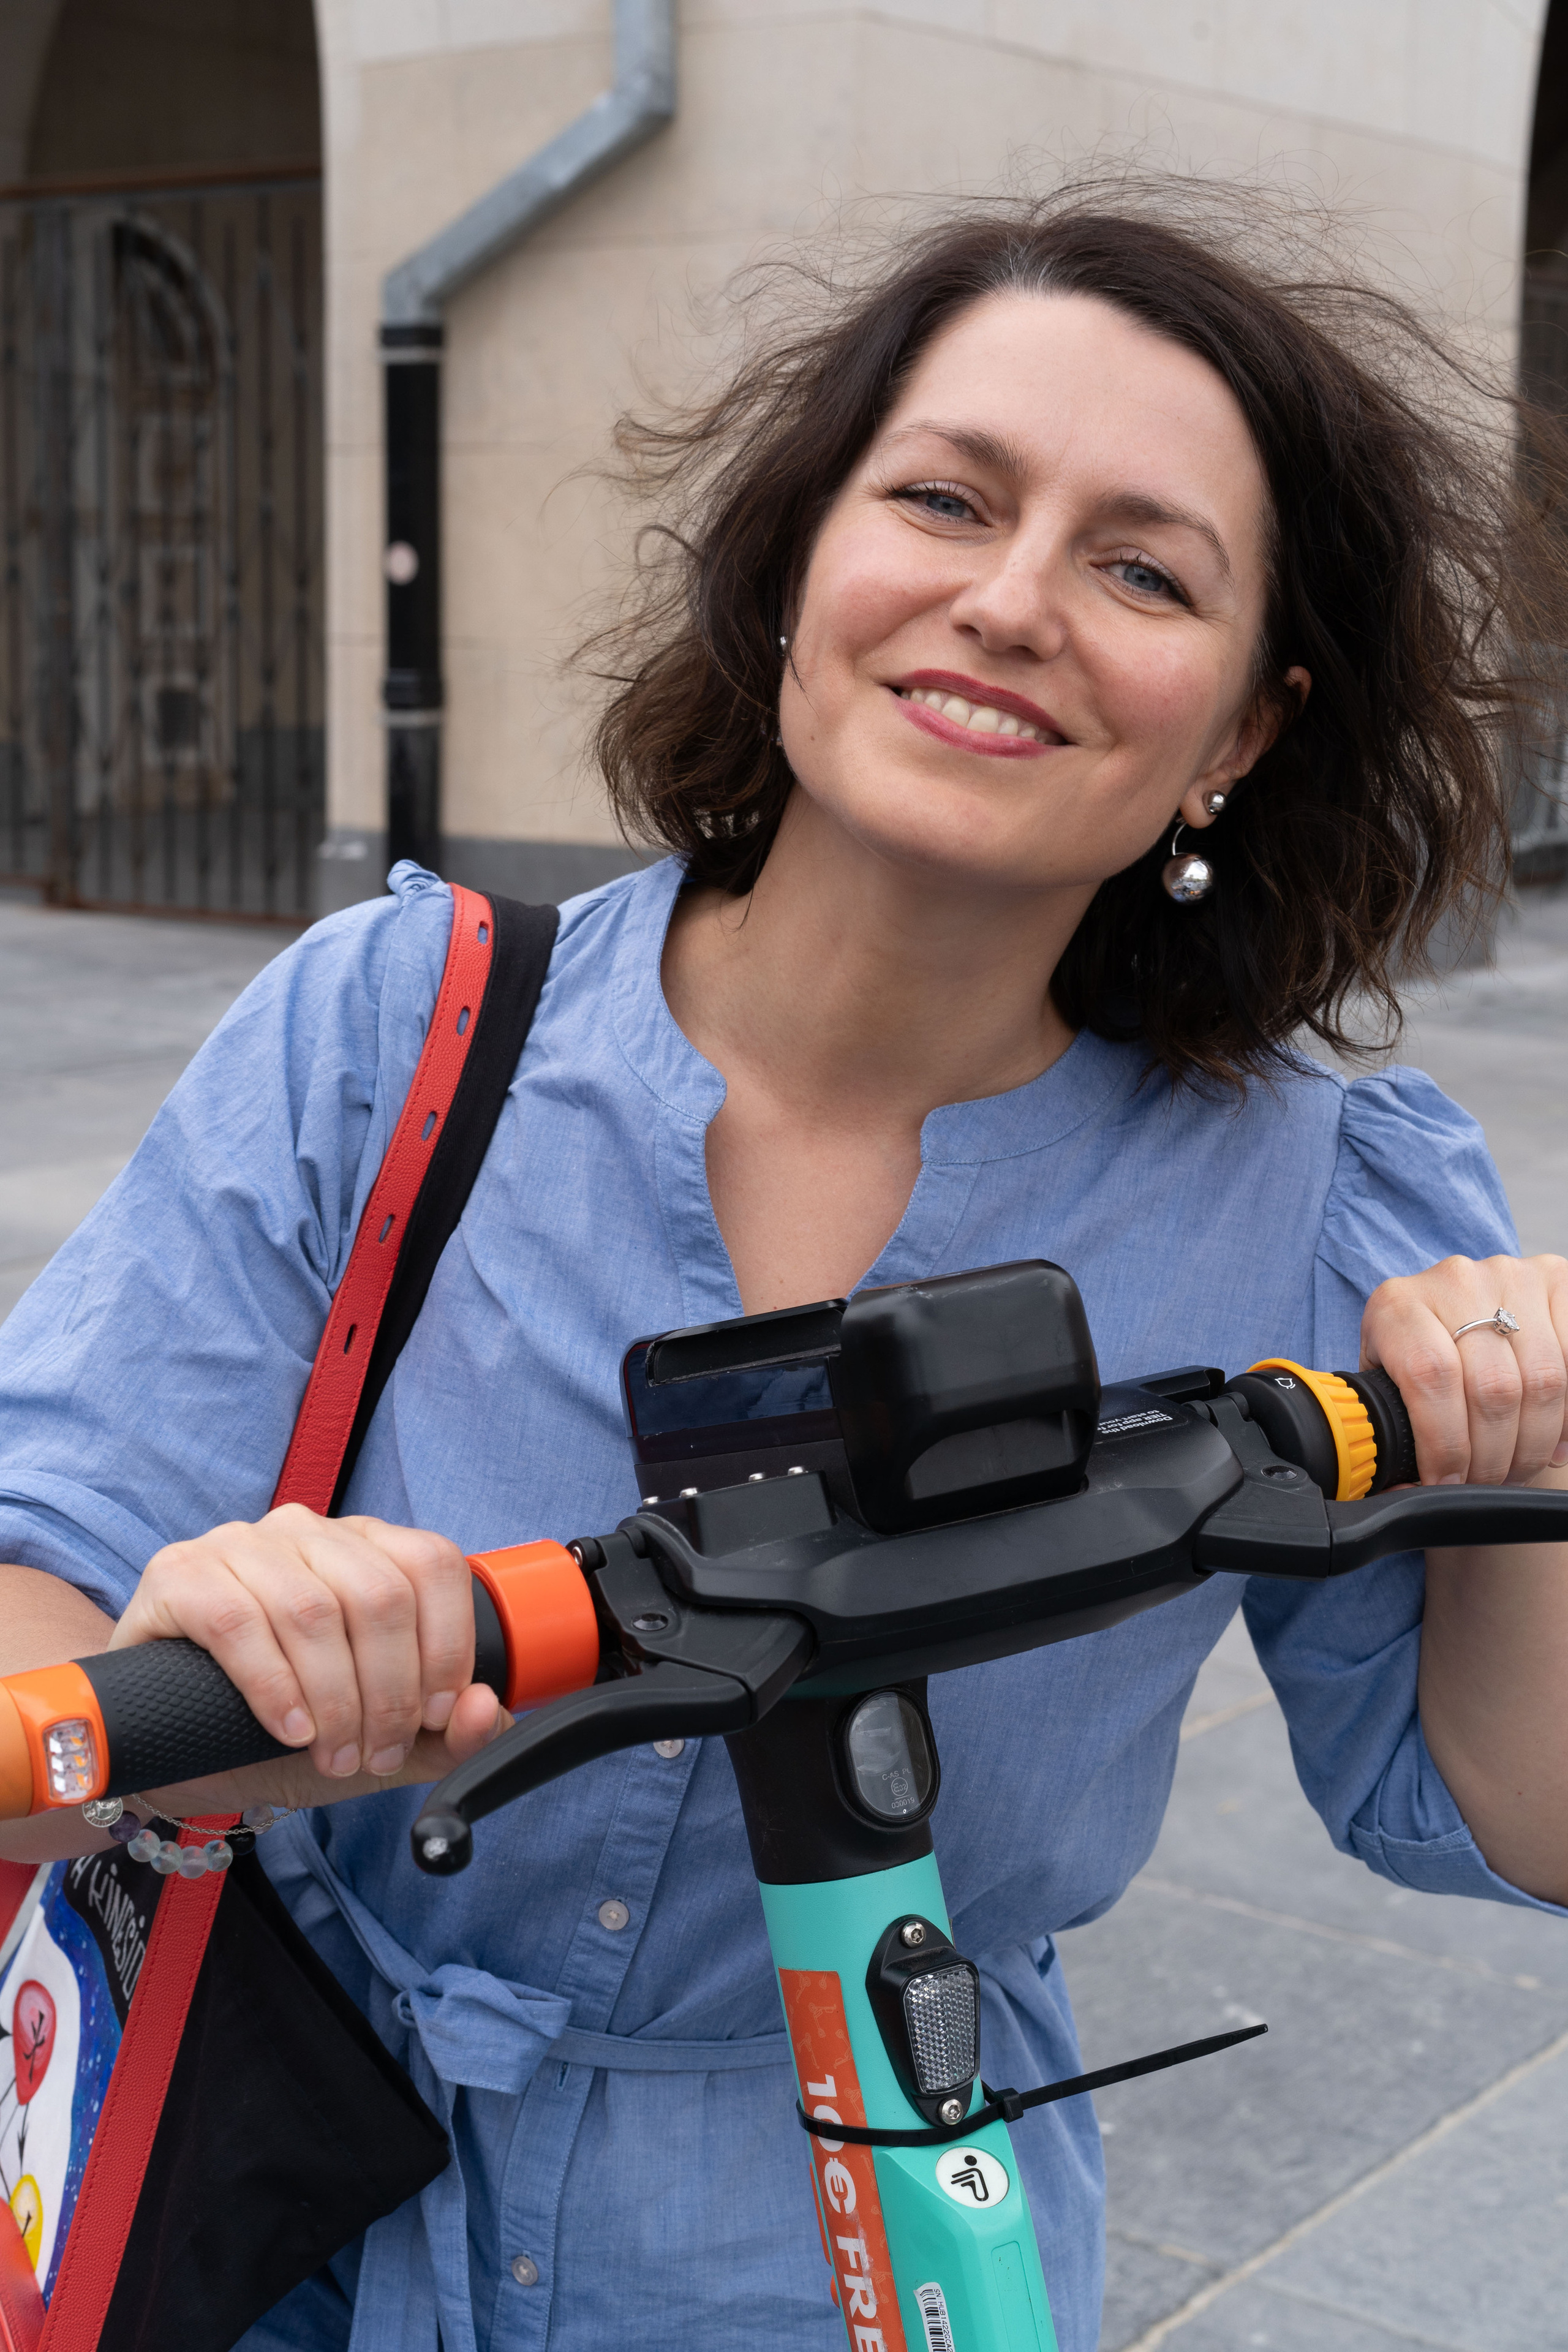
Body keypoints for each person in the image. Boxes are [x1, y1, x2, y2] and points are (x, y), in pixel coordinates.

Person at [2, 182, 1567, 2352]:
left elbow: (1507, 1812)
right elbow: (31, 1605)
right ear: (803, 567)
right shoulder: (397, 1029)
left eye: (1142, 568)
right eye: (943, 497)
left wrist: (1532, 1463)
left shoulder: (1327, 1197)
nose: (1012, 603)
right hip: (269, 2193)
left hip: (875, 2253)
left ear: (1241, 731)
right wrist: (197, 1684)